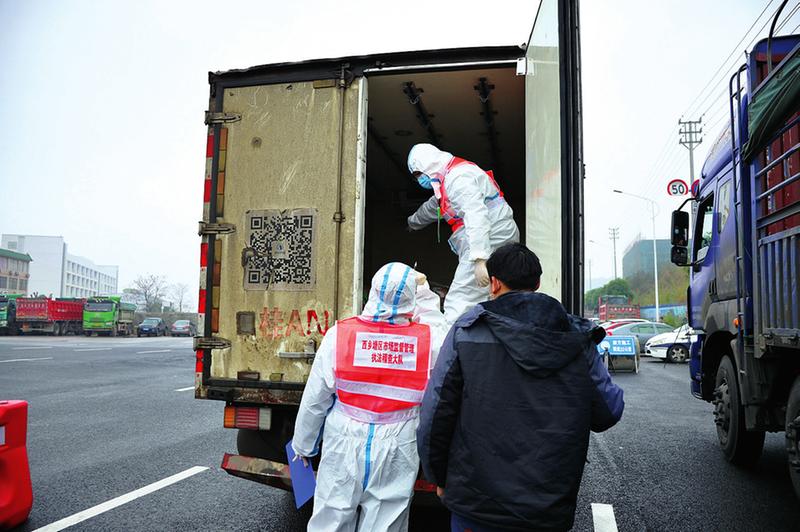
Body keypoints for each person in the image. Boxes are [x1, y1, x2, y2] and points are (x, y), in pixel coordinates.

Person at [417, 243, 624, 532]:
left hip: (475, 503)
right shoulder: (577, 338)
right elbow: (608, 412)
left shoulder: (467, 331)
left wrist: (437, 475)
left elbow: (436, 413)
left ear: (495, 283)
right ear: (538, 284)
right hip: (547, 507)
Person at [292, 262, 447, 532]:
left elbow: (315, 399)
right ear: (413, 296)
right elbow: (440, 326)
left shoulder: (340, 334)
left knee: (331, 515)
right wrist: (424, 292)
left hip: (343, 436)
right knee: (386, 520)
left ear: (372, 292)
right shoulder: (429, 339)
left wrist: (303, 446)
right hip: (399, 441)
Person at [406, 143, 519, 326]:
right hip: (494, 236)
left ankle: (448, 346)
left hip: (489, 239)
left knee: (460, 299)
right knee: (493, 296)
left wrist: (479, 258)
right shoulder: (448, 179)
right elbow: (432, 207)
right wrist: (412, 223)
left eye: (418, 174)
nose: (420, 180)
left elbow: (476, 215)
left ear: (426, 165)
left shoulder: (458, 178)